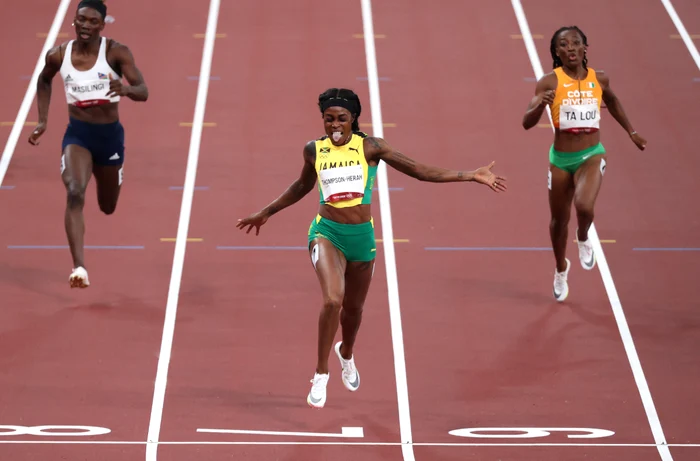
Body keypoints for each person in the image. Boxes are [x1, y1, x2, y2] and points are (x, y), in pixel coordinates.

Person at [236, 88, 507, 408]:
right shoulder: (314, 150)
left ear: (353, 119)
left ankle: (345, 353)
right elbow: (302, 186)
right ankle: (321, 373)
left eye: (342, 119)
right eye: (328, 119)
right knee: (332, 300)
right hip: (327, 233)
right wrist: (266, 212)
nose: (335, 125)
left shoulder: (370, 147)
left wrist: (469, 175)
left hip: (362, 240)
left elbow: (419, 171)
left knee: (353, 311)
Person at [28, 0, 148, 288]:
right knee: (74, 192)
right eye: (81, 19)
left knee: (107, 207)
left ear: (102, 25)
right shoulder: (58, 55)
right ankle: (79, 267)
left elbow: (143, 91)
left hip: (109, 139)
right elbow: (44, 81)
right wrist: (42, 120)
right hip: (78, 136)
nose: (85, 25)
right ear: (74, 21)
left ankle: (114, 173)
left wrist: (127, 90)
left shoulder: (116, 52)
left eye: (92, 21)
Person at [521, 26, 646, 303]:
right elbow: (526, 123)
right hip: (561, 161)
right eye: (564, 45)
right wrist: (539, 105)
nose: (571, 48)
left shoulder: (599, 79)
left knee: (585, 206)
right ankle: (560, 268)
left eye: (576, 43)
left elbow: (612, 101)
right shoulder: (548, 83)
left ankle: (583, 236)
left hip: (592, 155)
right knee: (557, 222)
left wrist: (631, 131)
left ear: (585, 47)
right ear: (556, 52)